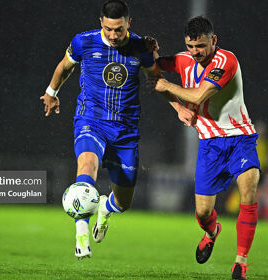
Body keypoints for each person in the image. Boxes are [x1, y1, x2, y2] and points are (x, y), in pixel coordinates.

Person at [40, 0, 194, 260]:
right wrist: (51, 93)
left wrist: (178, 108)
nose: (113, 35)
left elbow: (157, 80)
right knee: (87, 165)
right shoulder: (83, 42)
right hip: (91, 120)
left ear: (128, 24)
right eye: (109, 29)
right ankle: (81, 233)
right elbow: (64, 66)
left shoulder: (140, 48)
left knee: (123, 202)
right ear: (101, 22)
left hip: (125, 131)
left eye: (119, 30)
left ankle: (105, 208)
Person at [154, 16, 260, 280]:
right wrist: (147, 52)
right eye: (190, 46)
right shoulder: (184, 60)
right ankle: (212, 233)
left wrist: (167, 86)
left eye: (200, 46)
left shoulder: (225, 61)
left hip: (240, 139)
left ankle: (240, 263)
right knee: (202, 212)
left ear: (213, 40)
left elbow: (200, 94)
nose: (195, 52)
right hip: (209, 145)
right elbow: (152, 69)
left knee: (248, 195)